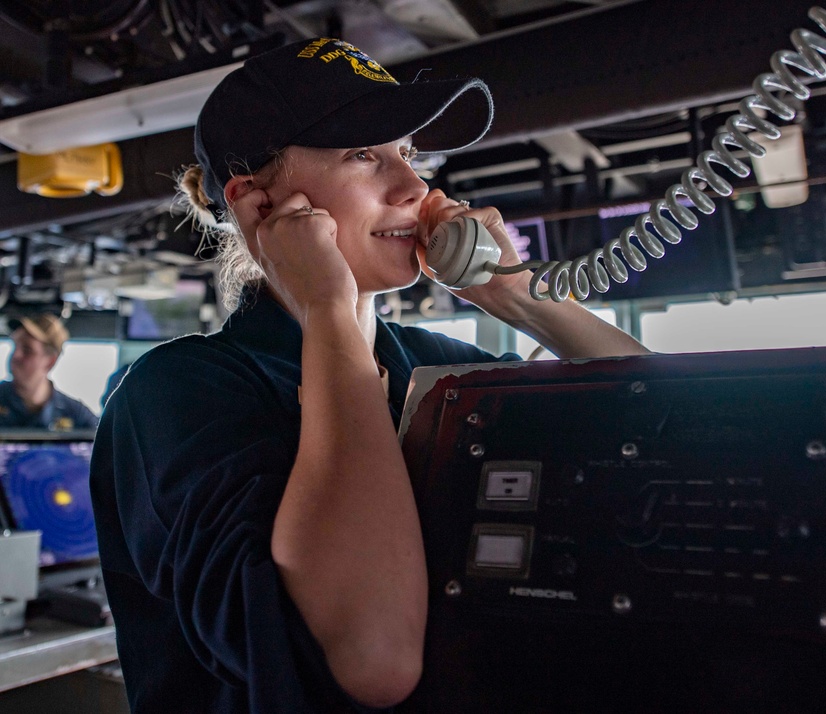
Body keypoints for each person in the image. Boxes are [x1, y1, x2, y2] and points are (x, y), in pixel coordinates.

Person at [90, 37, 650, 714]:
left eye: (408, 153)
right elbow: (371, 656)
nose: (414, 187)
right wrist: (327, 310)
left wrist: (521, 298)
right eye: (364, 155)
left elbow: (684, 436)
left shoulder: (439, 367)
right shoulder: (175, 392)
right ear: (258, 205)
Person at [0, 313, 99, 430]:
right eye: (15, 346)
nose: (16, 355)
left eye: (27, 350)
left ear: (50, 362)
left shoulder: (75, 415)